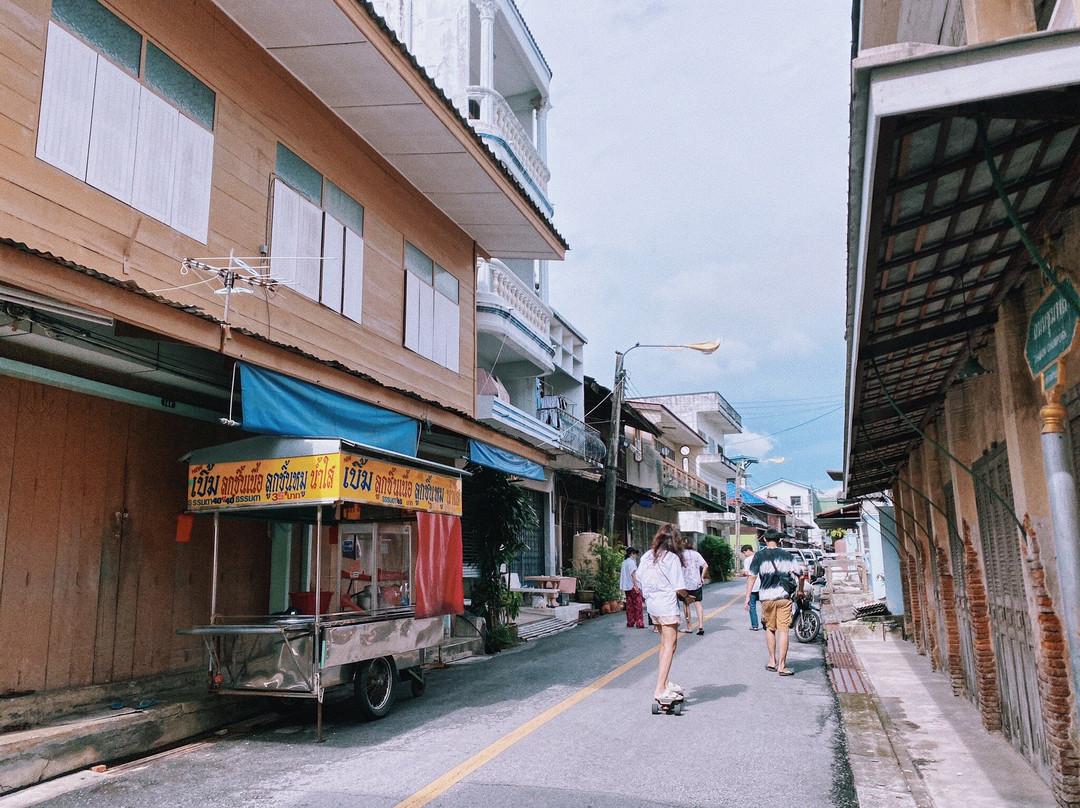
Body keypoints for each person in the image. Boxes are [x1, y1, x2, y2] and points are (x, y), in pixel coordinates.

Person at [638, 523, 693, 701]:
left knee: (666, 645)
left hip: (652, 605)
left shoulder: (648, 555)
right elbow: (679, 587)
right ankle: (660, 689)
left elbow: (638, 579)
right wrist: (688, 598)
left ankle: (665, 682)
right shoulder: (671, 558)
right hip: (666, 605)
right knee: (670, 646)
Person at [744, 529, 803, 676]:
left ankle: (772, 661)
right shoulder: (787, 556)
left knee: (770, 629)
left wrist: (747, 597)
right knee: (783, 630)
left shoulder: (759, 556)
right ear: (779, 540)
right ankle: (782, 666)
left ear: (765, 540)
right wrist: (800, 591)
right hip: (783, 597)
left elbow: (752, 577)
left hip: (766, 598)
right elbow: (801, 576)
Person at [679, 540, 708, 635]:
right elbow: (705, 565)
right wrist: (702, 577)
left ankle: (689, 627)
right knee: (698, 603)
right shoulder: (696, 554)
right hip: (696, 582)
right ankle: (701, 626)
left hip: (684, 583)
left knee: (686, 603)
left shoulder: (680, 555)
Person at [620, 547, 645, 628]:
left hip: (627, 586)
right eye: (635, 553)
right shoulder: (631, 563)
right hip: (633, 586)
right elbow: (633, 575)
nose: (636, 555)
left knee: (629, 605)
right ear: (631, 553)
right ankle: (639, 622)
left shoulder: (624, 562)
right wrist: (636, 586)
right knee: (638, 605)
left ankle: (630, 622)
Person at [740, 545, 761, 631]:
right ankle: (766, 623)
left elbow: (747, 573)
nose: (744, 555)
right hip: (763, 585)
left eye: (744, 552)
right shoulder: (760, 557)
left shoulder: (747, 560)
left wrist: (744, 572)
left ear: (748, 550)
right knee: (764, 605)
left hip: (753, 586)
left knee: (752, 606)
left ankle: (755, 625)